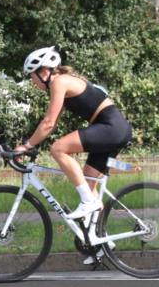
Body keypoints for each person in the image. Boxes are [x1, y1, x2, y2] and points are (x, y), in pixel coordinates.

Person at [13, 46, 133, 228]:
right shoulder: (62, 82)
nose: (32, 81)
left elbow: (48, 123)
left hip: (110, 127)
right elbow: (51, 124)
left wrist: (26, 145)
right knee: (89, 185)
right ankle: (100, 244)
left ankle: (88, 203)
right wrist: (31, 143)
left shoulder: (58, 82)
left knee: (58, 148)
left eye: (32, 75)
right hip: (115, 128)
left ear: (44, 71)